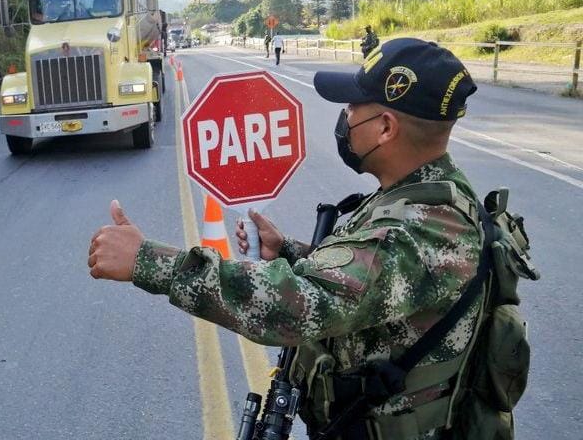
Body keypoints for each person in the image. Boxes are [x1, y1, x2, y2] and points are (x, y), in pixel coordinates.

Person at [88, 39, 499, 438]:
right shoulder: (421, 196)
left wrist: (148, 261)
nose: (346, 115)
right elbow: (373, 283)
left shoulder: (425, 227)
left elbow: (295, 307)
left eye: (355, 105)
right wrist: (289, 251)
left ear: (386, 128)